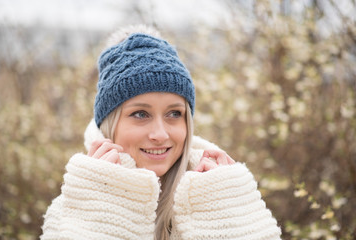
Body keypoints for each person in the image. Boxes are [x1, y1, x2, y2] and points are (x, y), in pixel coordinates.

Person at [41, 25, 281, 240]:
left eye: (174, 114)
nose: (160, 134)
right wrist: (103, 209)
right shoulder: (69, 208)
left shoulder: (221, 190)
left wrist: (230, 217)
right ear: (109, 124)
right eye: (140, 114)